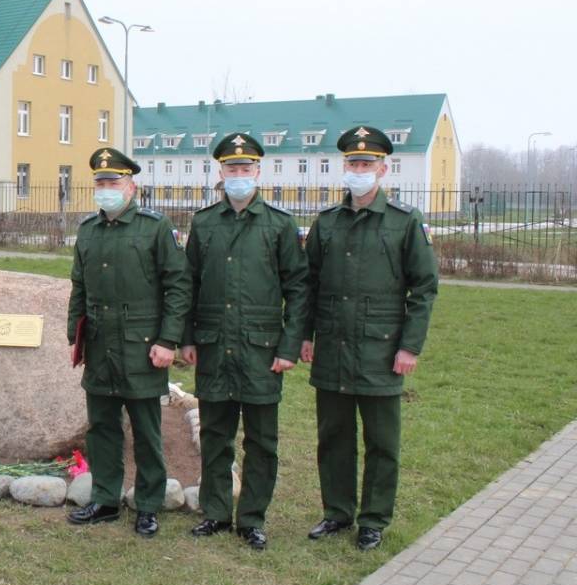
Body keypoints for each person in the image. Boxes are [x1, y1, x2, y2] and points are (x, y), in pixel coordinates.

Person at [301, 126, 438, 551]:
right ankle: (337, 513)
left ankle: (374, 519)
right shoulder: (327, 223)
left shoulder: (403, 222)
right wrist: (305, 336)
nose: (359, 171)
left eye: (366, 164)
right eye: (353, 164)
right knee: (334, 438)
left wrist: (410, 346)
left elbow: (424, 287)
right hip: (333, 348)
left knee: (382, 442)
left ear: (383, 168)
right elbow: (309, 284)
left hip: (381, 350)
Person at [180, 132, 308, 550]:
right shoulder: (204, 223)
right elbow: (188, 284)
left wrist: (289, 347)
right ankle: (215, 512)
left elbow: (298, 289)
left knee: (261, 441)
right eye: (231, 168)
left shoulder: (279, 224)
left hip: (261, 351)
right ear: (221, 172)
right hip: (215, 347)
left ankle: (252, 517)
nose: (239, 174)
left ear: (258, 171)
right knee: (216, 435)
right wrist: (186, 338)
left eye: (245, 168)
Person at [66, 147, 191, 538]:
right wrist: (76, 333)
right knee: (102, 426)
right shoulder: (88, 230)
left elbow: (178, 286)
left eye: (113, 182)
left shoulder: (154, 228)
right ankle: (104, 498)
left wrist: (168, 340)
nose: (106, 189)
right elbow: (79, 285)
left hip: (143, 345)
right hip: (101, 344)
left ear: (131, 186)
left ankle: (149, 504)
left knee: (146, 429)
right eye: (100, 183)